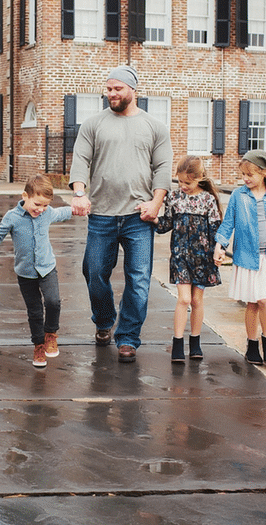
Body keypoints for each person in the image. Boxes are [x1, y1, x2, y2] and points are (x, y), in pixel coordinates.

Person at [69, 65, 173, 363]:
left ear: (133, 90)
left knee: (139, 279)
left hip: (139, 217)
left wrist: (156, 202)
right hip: (101, 213)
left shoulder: (154, 127)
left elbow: (163, 168)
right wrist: (79, 193)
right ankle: (104, 321)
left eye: (117, 89)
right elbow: (80, 160)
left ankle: (128, 337)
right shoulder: (93, 124)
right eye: (109, 89)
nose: (111, 94)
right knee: (94, 273)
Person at [0, 174, 75, 368]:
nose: (40, 210)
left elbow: (62, 213)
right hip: (25, 273)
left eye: (45, 206)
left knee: (53, 302)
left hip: (48, 268)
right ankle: (39, 346)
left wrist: (78, 209)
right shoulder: (12, 217)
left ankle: (50, 334)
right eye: (37, 204)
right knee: (35, 312)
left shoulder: (47, 213)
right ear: (25, 195)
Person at [213, 149, 266, 365]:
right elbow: (228, 223)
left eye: (250, 175)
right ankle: (251, 344)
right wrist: (220, 245)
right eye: (243, 175)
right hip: (247, 257)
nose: (246, 179)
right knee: (252, 303)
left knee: (265, 301)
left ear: (264, 173)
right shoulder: (239, 196)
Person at [156, 155, 222, 362]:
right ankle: (177, 343)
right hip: (180, 256)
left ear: (200, 178)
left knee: (196, 300)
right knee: (184, 299)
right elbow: (165, 225)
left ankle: (195, 342)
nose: (182, 186)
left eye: (188, 182)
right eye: (180, 181)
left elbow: (216, 230)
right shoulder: (174, 198)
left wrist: (219, 251)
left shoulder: (208, 200)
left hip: (203, 258)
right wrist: (152, 218)